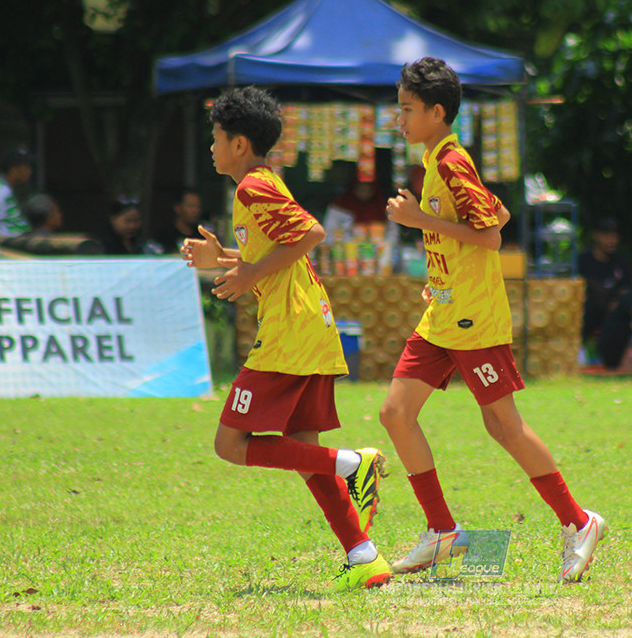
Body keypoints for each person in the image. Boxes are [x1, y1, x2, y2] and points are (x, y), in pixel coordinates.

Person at [380, 57, 605, 582]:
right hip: (444, 312)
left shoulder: (452, 162)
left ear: (437, 113)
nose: (400, 119)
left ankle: (579, 522)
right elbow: (496, 211)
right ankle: (442, 531)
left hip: (474, 318)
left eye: (407, 109)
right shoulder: (441, 161)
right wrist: (440, 265)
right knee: (396, 412)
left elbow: (491, 236)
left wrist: (418, 220)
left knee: (503, 425)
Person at [180, 86, 391, 592]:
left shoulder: (252, 186)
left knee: (230, 443)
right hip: (308, 325)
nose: (211, 147)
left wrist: (247, 276)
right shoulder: (261, 183)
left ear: (239, 143)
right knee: (300, 448)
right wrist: (229, 261)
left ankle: (352, 463)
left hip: (290, 332)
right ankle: (364, 556)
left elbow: (311, 235)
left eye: (216, 137)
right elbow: (279, 254)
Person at [578, 217, 631, 345]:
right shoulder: (582, 261)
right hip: (588, 311)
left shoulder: (620, 262)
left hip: (613, 312)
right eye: (606, 236)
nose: (611, 241)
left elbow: (627, 288)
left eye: (614, 236)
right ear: (596, 236)